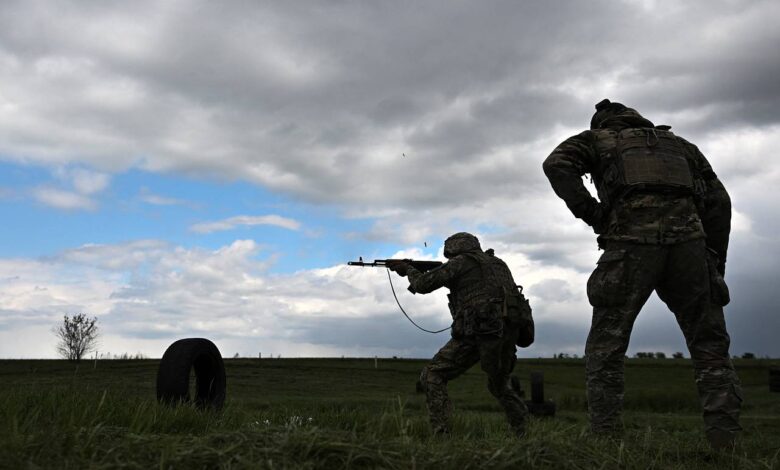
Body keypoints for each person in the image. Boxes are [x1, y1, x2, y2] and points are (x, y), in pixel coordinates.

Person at [542, 99, 742, 449]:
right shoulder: (682, 146)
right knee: (710, 347)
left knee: (606, 347)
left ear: (602, 124)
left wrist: (595, 215)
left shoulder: (597, 140)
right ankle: (725, 444)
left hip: (629, 246)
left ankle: (606, 441)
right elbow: (719, 202)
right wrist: (713, 260)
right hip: (690, 247)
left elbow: (556, 164)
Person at [386, 232, 533, 437]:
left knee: (433, 374)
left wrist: (408, 269)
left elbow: (423, 285)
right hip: (507, 330)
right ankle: (523, 433)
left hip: (479, 330)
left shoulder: (462, 262)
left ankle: (441, 434)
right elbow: (477, 284)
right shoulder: (498, 264)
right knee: (499, 385)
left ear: (454, 247)